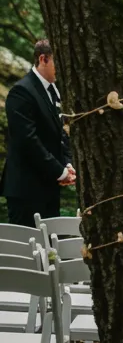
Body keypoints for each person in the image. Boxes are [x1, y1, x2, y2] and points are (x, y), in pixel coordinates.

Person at [0, 39, 76, 227]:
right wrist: (59, 172)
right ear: (43, 59)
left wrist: (67, 162)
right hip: (26, 191)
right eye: (59, 62)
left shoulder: (53, 91)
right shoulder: (21, 92)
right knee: (26, 252)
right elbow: (28, 141)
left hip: (48, 188)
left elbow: (60, 134)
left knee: (50, 251)